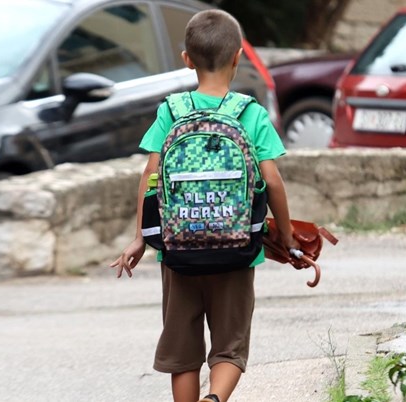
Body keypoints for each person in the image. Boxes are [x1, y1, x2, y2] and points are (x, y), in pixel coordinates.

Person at [110, 9, 304, 402]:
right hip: (237, 252)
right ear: (238, 58)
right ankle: (214, 399)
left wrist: (140, 239)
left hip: (178, 251)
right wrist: (285, 234)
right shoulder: (250, 114)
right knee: (230, 347)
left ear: (186, 59)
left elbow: (151, 178)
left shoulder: (171, 111)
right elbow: (272, 181)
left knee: (182, 353)